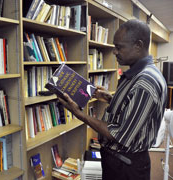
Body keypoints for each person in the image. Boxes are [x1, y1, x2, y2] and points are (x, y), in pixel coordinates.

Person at [58, 19, 167, 180]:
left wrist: (79, 114)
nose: (114, 52)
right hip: (121, 162)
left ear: (138, 45)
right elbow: (132, 109)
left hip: (126, 167)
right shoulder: (138, 74)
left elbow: (119, 134)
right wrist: (110, 98)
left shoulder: (145, 81)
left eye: (119, 47)